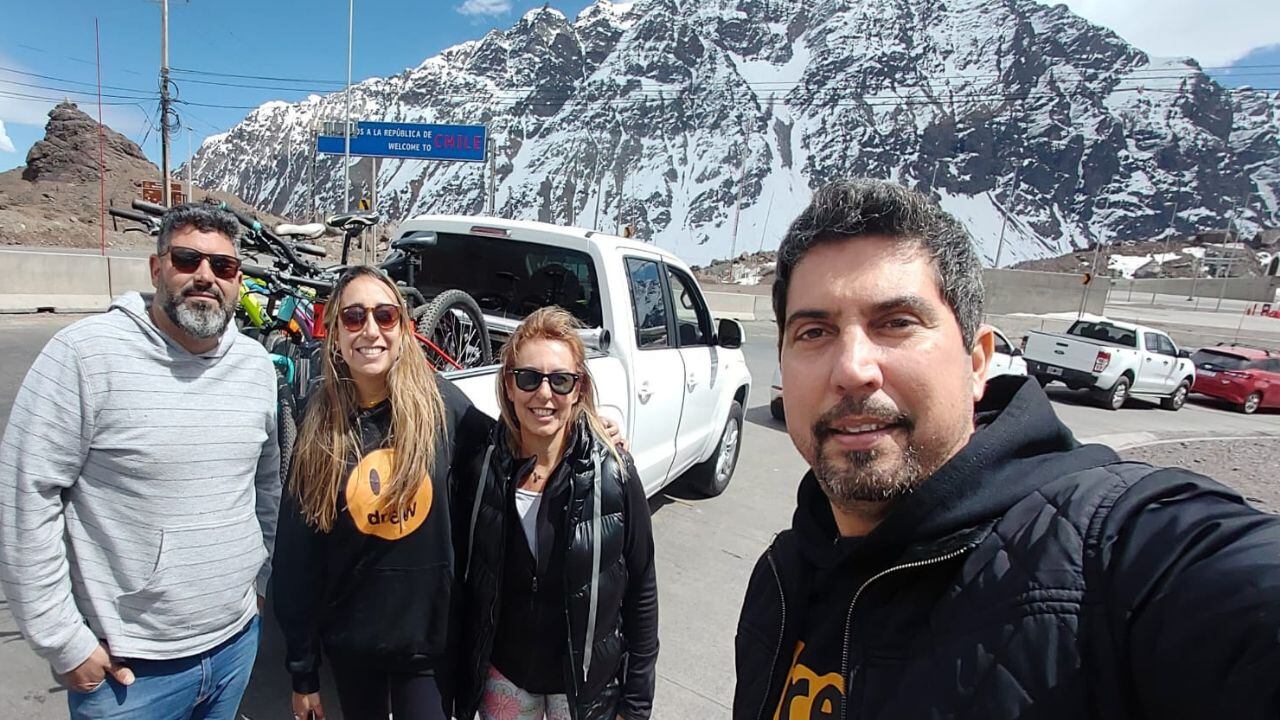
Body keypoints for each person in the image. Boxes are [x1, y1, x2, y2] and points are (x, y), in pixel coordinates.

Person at [734, 179, 1280, 719]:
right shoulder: (784, 577)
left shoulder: (1106, 551)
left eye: (896, 323)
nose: (852, 369)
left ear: (977, 362)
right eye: (813, 333)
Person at [273, 268, 626, 720]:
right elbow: (295, 559)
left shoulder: (441, 407)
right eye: (354, 317)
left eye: (385, 316)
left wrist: (590, 435)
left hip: (430, 650)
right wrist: (303, 673)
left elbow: (518, 442)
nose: (371, 331)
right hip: (353, 648)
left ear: (404, 329)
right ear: (335, 334)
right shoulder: (318, 429)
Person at [0, 203, 280, 719]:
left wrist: (255, 583)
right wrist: (63, 640)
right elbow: (25, 499)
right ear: (157, 269)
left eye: (223, 267)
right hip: (129, 675)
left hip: (236, 646)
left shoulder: (256, 366)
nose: (205, 277)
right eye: (187, 259)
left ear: (238, 280)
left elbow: (266, 488)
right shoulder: (84, 356)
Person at [456, 307, 658, 720]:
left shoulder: (613, 475)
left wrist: (635, 705)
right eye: (529, 378)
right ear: (509, 386)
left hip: (583, 690)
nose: (544, 394)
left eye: (560, 380)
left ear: (579, 389)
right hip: (506, 679)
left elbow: (642, 592)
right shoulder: (482, 470)